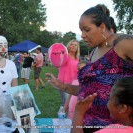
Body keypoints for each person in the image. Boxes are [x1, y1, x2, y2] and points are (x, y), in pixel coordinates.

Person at [46, 4, 133, 132]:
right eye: (81, 30)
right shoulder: (94, 52)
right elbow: (89, 90)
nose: (82, 35)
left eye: (86, 30)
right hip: (86, 125)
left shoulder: (123, 43)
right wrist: (63, 86)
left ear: (102, 27)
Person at [58, 39, 80, 108]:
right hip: (64, 83)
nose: (73, 46)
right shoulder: (65, 55)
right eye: (71, 44)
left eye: (75, 45)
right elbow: (58, 59)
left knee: (71, 103)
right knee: (65, 103)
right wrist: (61, 48)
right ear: (68, 46)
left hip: (74, 84)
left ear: (77, 48)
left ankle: (67, 118)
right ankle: (61, 117)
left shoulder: (77, 59)